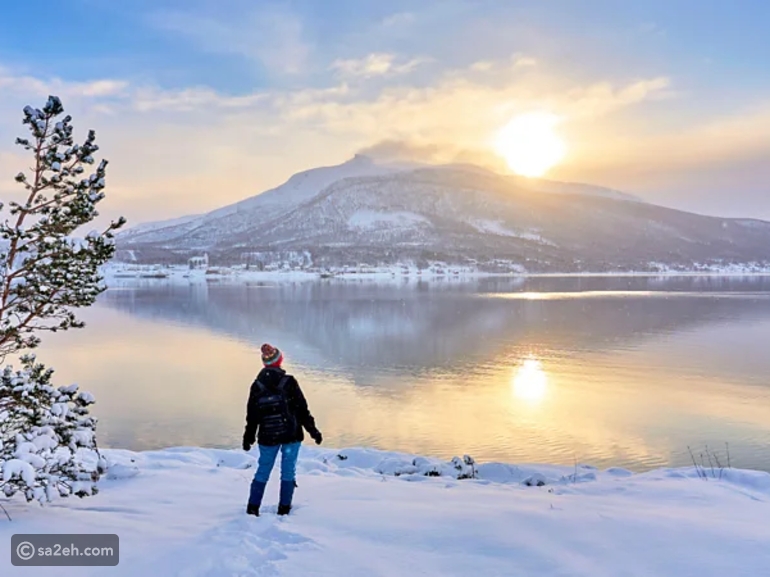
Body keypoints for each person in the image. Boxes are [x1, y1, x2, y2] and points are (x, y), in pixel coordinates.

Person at [243, 343, 322, 516]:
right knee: (288, 471)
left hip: (267, 436)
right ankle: (284, 509)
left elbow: (252, 416)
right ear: (280, 361)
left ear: (264, 363)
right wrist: (313, 431)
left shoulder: (256, 386)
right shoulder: (289, 382)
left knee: (263, 470)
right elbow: (302, 410)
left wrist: (248, 438)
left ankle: (252, 508)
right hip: (291, 435)